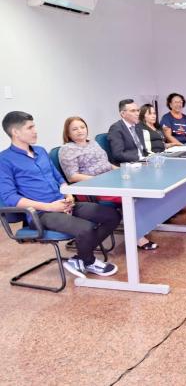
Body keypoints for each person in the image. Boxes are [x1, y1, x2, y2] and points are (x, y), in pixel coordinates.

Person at [0, 111, 120, 278]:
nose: (35, 130)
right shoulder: (4, 159)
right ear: (15, 132)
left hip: (63, 203)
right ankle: (88, 261)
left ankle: (79, 259)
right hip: (40, 213)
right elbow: (9, 197)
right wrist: (50, 207)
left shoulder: (40, 151)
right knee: (85, 228)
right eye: (30, 127)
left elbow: (58, 177)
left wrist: (68, 194)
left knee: (111, 215)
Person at [60, 116, 158, 251]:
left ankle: (141, 226)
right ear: (68, 133)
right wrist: (98, 180)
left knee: (142, 187)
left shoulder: (93, 143)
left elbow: (106, 164)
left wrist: (122, 171)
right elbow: (72, 177)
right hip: (91, 189)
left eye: (82, 127)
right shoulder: (67, 149)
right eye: (74, 129)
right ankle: (137, 237)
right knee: (131, 196)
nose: (80, 131)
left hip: (109, 181)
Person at [108, 99, 149, 165]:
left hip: (143, 161)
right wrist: (140, 158)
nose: (137, 114)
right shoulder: (116, 128)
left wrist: (148, 158)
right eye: (133, 111)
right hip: (129, 165)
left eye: (138, 110)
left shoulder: (138, 126)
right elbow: (118, 154)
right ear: (123, 114)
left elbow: (142, 148)